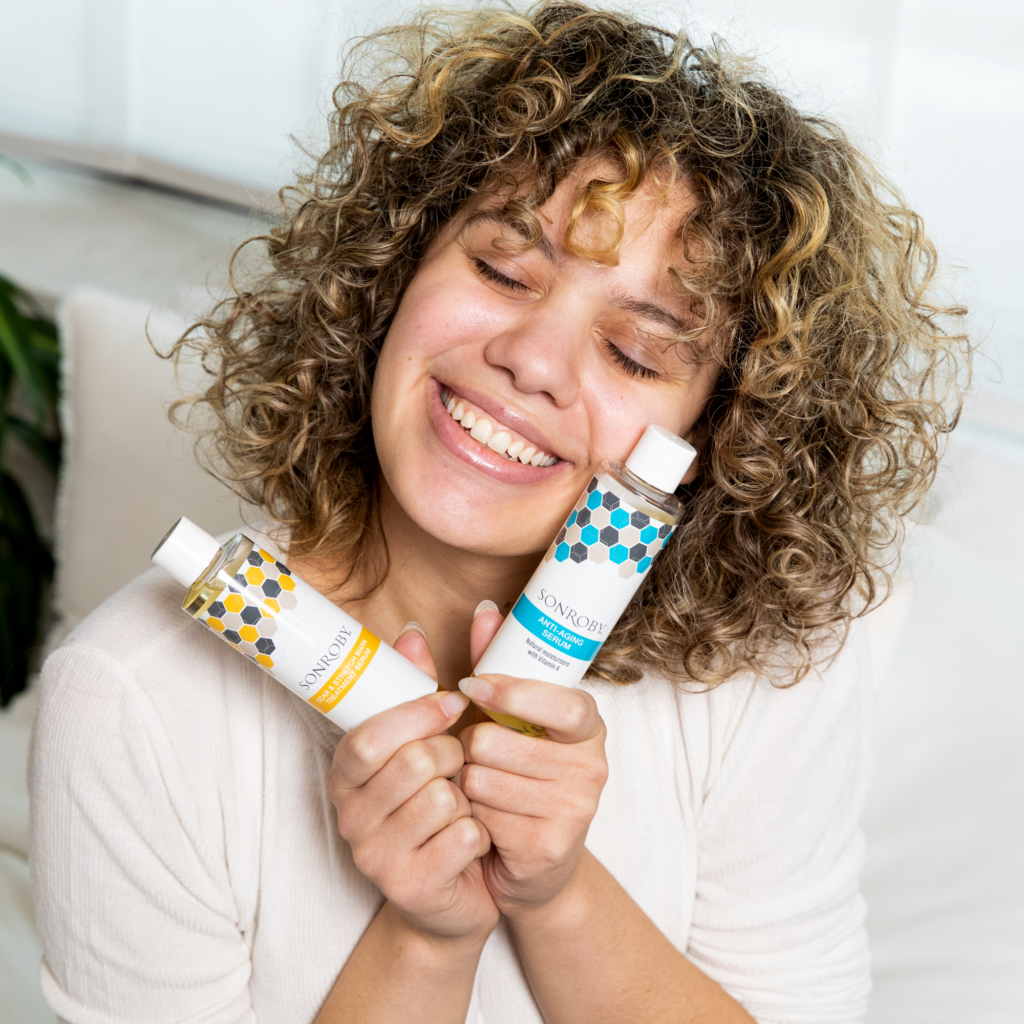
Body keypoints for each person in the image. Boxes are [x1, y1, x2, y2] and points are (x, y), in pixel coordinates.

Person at [29, 4, 968, 1022]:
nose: (531, 361)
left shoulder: (767, 661)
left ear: (717, 438)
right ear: (390, 273)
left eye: (635, 352)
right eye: (500, 269)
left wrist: (557, 894)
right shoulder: (134, 700)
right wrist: (427, 935)